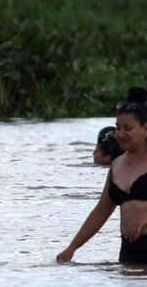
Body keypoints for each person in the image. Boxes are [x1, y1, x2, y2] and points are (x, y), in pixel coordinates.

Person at [59, 94, 147, 265]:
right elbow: (101, 212)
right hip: (128, 251)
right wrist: (71, 248)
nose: (120, 134)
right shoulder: (116, 165)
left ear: (145, 128)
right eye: (118, 128)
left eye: (127, 128)